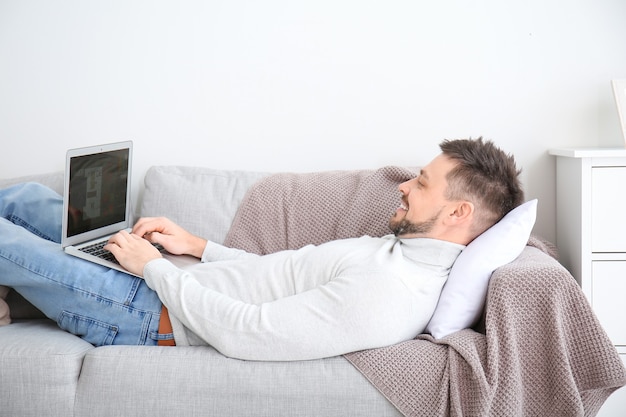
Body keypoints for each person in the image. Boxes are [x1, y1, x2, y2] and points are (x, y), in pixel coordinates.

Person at [0, 138, 523, 361]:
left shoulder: (391, 293)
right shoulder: (397, 252)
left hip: (147, 313)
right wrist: (196, 247)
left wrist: (155, 269)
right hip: (171, 282)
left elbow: (246, 334)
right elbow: (278, 274)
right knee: (27, 199)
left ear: (458, 214)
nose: (405, 185)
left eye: (424, 183)